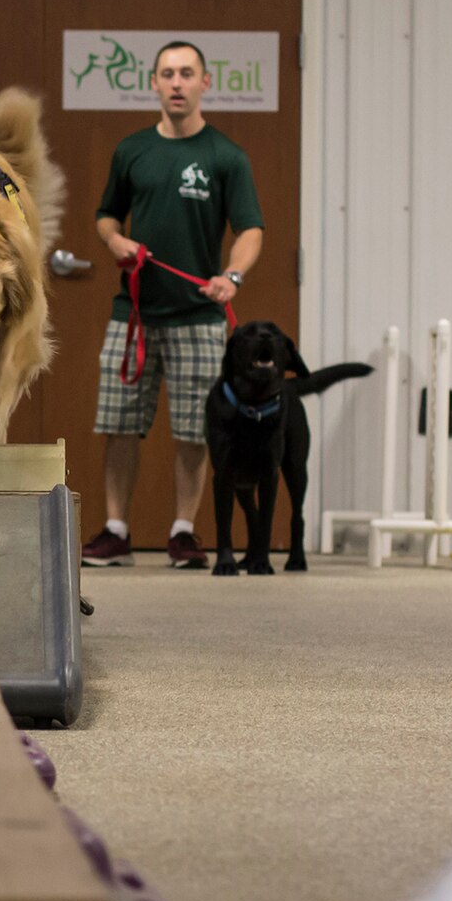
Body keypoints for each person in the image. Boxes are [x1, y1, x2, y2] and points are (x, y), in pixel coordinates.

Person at [82, 40, 264, 569]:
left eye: (187, 73)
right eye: (168, 73)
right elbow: (105, 216)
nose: (178, 82)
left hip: (200, 318)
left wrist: (232, 275)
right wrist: (113, 241)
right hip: (134, 315)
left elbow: (251, 229)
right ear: (155, 84)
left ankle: (183, 531)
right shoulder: (132, 150)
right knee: (118, 424)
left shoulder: (225, 156)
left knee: (194, 430)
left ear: (206, 82)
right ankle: (116, 530)